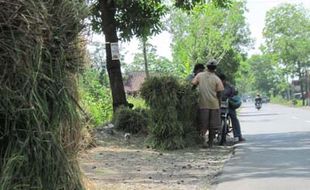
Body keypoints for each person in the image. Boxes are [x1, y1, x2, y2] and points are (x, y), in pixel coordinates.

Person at [192, 59, 224, 147]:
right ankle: (210, 143)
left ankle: (203, 141)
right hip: (214, 104)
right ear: (215, 68)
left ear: (207, 67)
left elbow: (193, 86)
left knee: (203, 123)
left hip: (203, 103)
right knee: (212, 126)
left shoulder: (199, 75)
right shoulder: (217, 79)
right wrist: (219, 105)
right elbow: (220, 94)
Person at [218, 74, 245, 143]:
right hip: (218, 105)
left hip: (228, 105)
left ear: (224, 80)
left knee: (234, 118)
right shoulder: (215, 85)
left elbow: (235, 93)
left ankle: (238, 135)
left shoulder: (230, 86)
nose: (220, 82)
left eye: (222, 80)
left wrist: (232, 96)